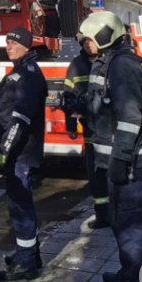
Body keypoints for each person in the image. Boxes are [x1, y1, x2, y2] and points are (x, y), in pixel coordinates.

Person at [79, 11, 142, 282]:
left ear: (103, 35)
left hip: (128, 160)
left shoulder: (122, 65)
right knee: (121, 221)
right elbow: (104, 107)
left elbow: (129, 118)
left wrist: (121, 159)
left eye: (89, 39)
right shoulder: (109, 62)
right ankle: (129, 270)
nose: (87, 44)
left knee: (132, 221)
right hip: (114, 159)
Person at [0, 26, 47, 281]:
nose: (8, 46)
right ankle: (26, 252)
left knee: (21, 205)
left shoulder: (29, 74)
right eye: (7, 42)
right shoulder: (19, 70)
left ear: (26, 45)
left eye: (13, 42)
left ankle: (28, 262)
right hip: (16, 151)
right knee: (17, 203)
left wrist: (6, 147)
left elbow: (20, 118)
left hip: (20, 151)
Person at [63, 30, 109, 229]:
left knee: (112, 172)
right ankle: (103, 215)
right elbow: (68, 98)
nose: (89, 45)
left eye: (93, 41)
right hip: (89, 130)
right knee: (95, 173)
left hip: (109, 128)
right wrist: (70, 125)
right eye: (86, 42)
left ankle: (117, 213)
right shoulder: (76, 65)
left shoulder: (109, 62)